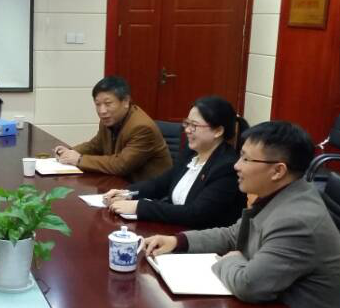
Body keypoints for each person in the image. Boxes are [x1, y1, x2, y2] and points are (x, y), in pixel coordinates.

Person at [141, 121, 340, 308]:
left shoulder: (297, 220)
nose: (236, 165)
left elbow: (249, 284)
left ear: (278, 171)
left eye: (245, 159)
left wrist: (229, 260)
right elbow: (233, 234)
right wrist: (178, 241)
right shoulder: (281, 194)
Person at [104, 95, 247, 229]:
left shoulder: (227, 167)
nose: (187, 130)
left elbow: (196, 214)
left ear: (218, 131)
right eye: (187, 123)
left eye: (194, 125)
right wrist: (127, 193)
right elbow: (160, 184)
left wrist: (139, 207)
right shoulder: (191, 153)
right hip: (174, 230)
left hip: (204, 240)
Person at [53, 76, 172, 182]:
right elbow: (96, 145)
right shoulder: (109, 119)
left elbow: (121, 165)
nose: (102, 111)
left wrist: (79, 160)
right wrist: (69, 152)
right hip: (117, 184)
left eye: (108, 103)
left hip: (147, 191)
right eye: (98, 104)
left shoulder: (142, 128)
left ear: (126, 101)